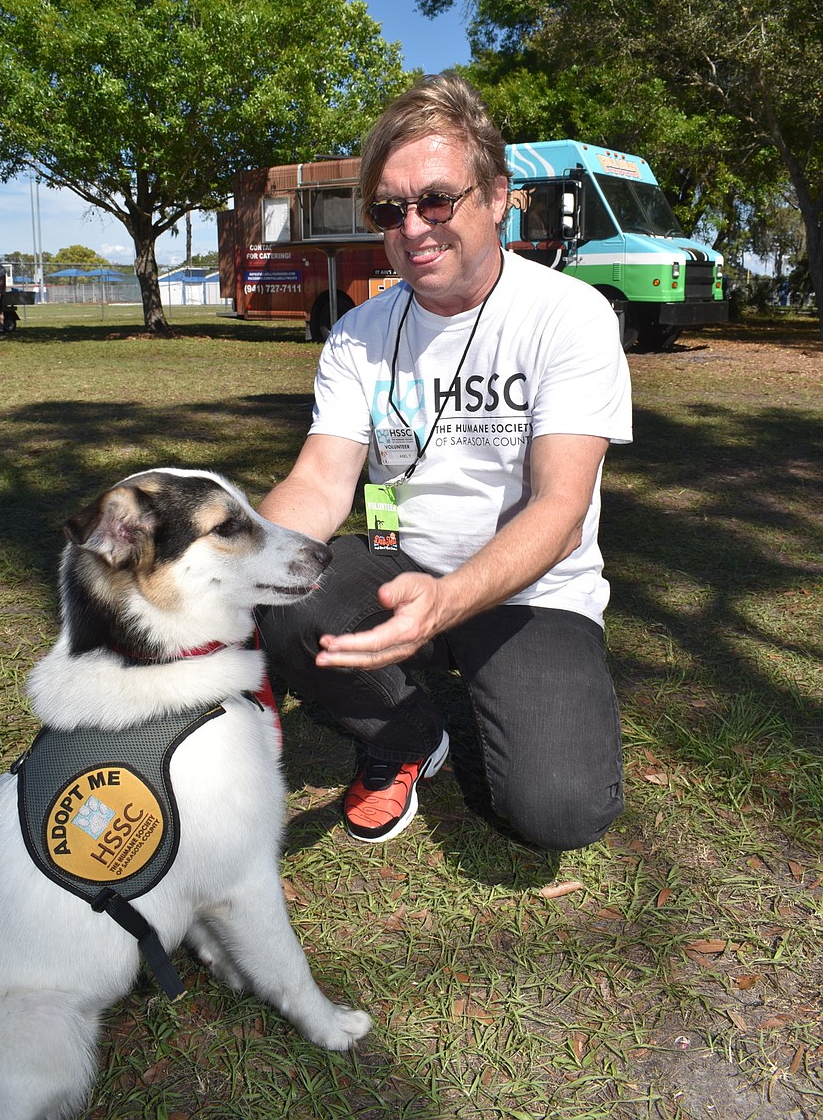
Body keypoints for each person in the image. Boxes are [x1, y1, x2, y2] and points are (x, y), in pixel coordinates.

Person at [255, 72, 632, 851]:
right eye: (391, 209)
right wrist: (231, 563)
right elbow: (321, 481)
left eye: (437, 200)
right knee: (281, 590)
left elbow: (560, 510)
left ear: (496, 196)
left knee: (558, 811)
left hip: (534, 590)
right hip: (403, 563)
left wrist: (451, 598)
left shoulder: (569, 316)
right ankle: (407, 730)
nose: (414, 227)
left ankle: (510, 689)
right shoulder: (358, 332)